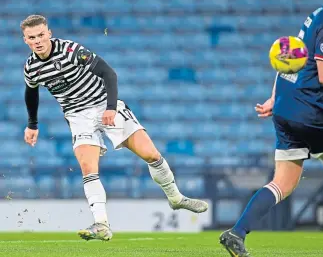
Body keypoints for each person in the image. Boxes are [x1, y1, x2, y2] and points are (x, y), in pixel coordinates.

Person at [21, 14, 208, 241]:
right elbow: (31, 92)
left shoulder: (71, 51)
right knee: (88, 167)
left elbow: (108, 73)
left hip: (104, 103)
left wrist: (110, 108)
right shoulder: (31, 68)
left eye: (41, 34)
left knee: (151, 154)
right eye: (32, 37)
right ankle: (101, 224)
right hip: (78, 115)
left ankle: (176, 198)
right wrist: (32, 124)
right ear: (26, 40)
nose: (38, 40)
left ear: (49, 33)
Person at [220, 0, 323, 256]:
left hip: (286, 108)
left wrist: (273, 98)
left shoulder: (316, 16)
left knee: (283, 183)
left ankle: (237, 233)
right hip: (313, 112)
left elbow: (287, 57)